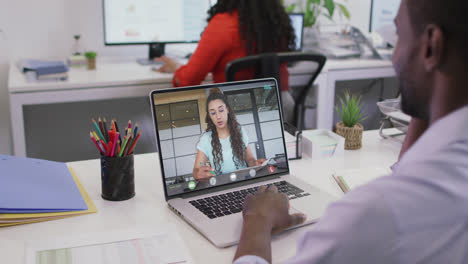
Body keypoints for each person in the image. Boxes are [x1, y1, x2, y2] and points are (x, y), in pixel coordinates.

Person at [233, 0, 468, 263]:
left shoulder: (374, 215)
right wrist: (429, 102)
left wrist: (257, 219)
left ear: (431, 46)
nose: (394, 56)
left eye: (399, 35)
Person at [155, 0, 295, 110]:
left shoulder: (223, 24)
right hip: (282, 107)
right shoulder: (277, 22)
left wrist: (178, 71)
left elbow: (189, 80)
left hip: (238, 111)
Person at [194, 89, 265, 180]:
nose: (218, 116)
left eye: (221, 110)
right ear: (209, 116)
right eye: (213, 113)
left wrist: (255, 163)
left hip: (244, 180)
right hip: (221, 185)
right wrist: (198, 174)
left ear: (227, 109)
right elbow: (196, 170)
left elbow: (250, 159)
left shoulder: (239, 130)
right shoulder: (206, 138)